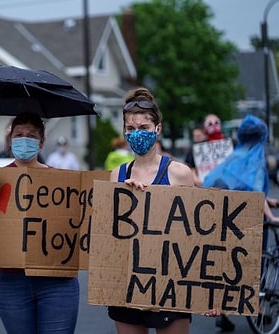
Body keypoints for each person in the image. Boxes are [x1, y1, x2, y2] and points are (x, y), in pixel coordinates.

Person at [107, 87, 220, 334]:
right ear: (124, 132)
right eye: (131, 129)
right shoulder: (118, 175)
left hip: (171, 282)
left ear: (157, 129)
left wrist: (208, 290)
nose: (137, 134)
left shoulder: (179, 173)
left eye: (144, 128)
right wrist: (125, 197)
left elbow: (197, 236)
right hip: (128, 280)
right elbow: (109, 232)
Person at [0, 111, 79, 334]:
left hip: (56, 281)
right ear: (10, 141)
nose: (24, 139)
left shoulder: (61, 181)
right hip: (11, 282)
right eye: (19, 134)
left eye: (31, 135)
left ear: (41, 143)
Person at [203, 114, 279, 332]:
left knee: (230, 265)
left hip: (229, 221)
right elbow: (255, 193)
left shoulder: (231, 158)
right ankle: (258, 307)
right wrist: (271, 216)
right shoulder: (256, 160)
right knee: (256, 264)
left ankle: (224, 310)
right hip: (253, 220)